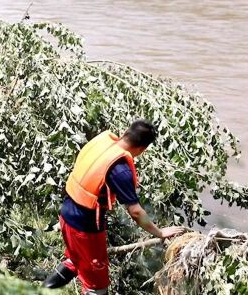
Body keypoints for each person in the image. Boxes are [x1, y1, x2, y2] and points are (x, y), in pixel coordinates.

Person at [43, 120, 185, 294]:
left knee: (75, 261)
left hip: (66, 214)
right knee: (97, 286)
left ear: (126, 133)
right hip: (85, 229)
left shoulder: (102, 142)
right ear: (142, 149)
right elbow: (135, 211)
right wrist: (160, 232)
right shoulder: (120, 170)